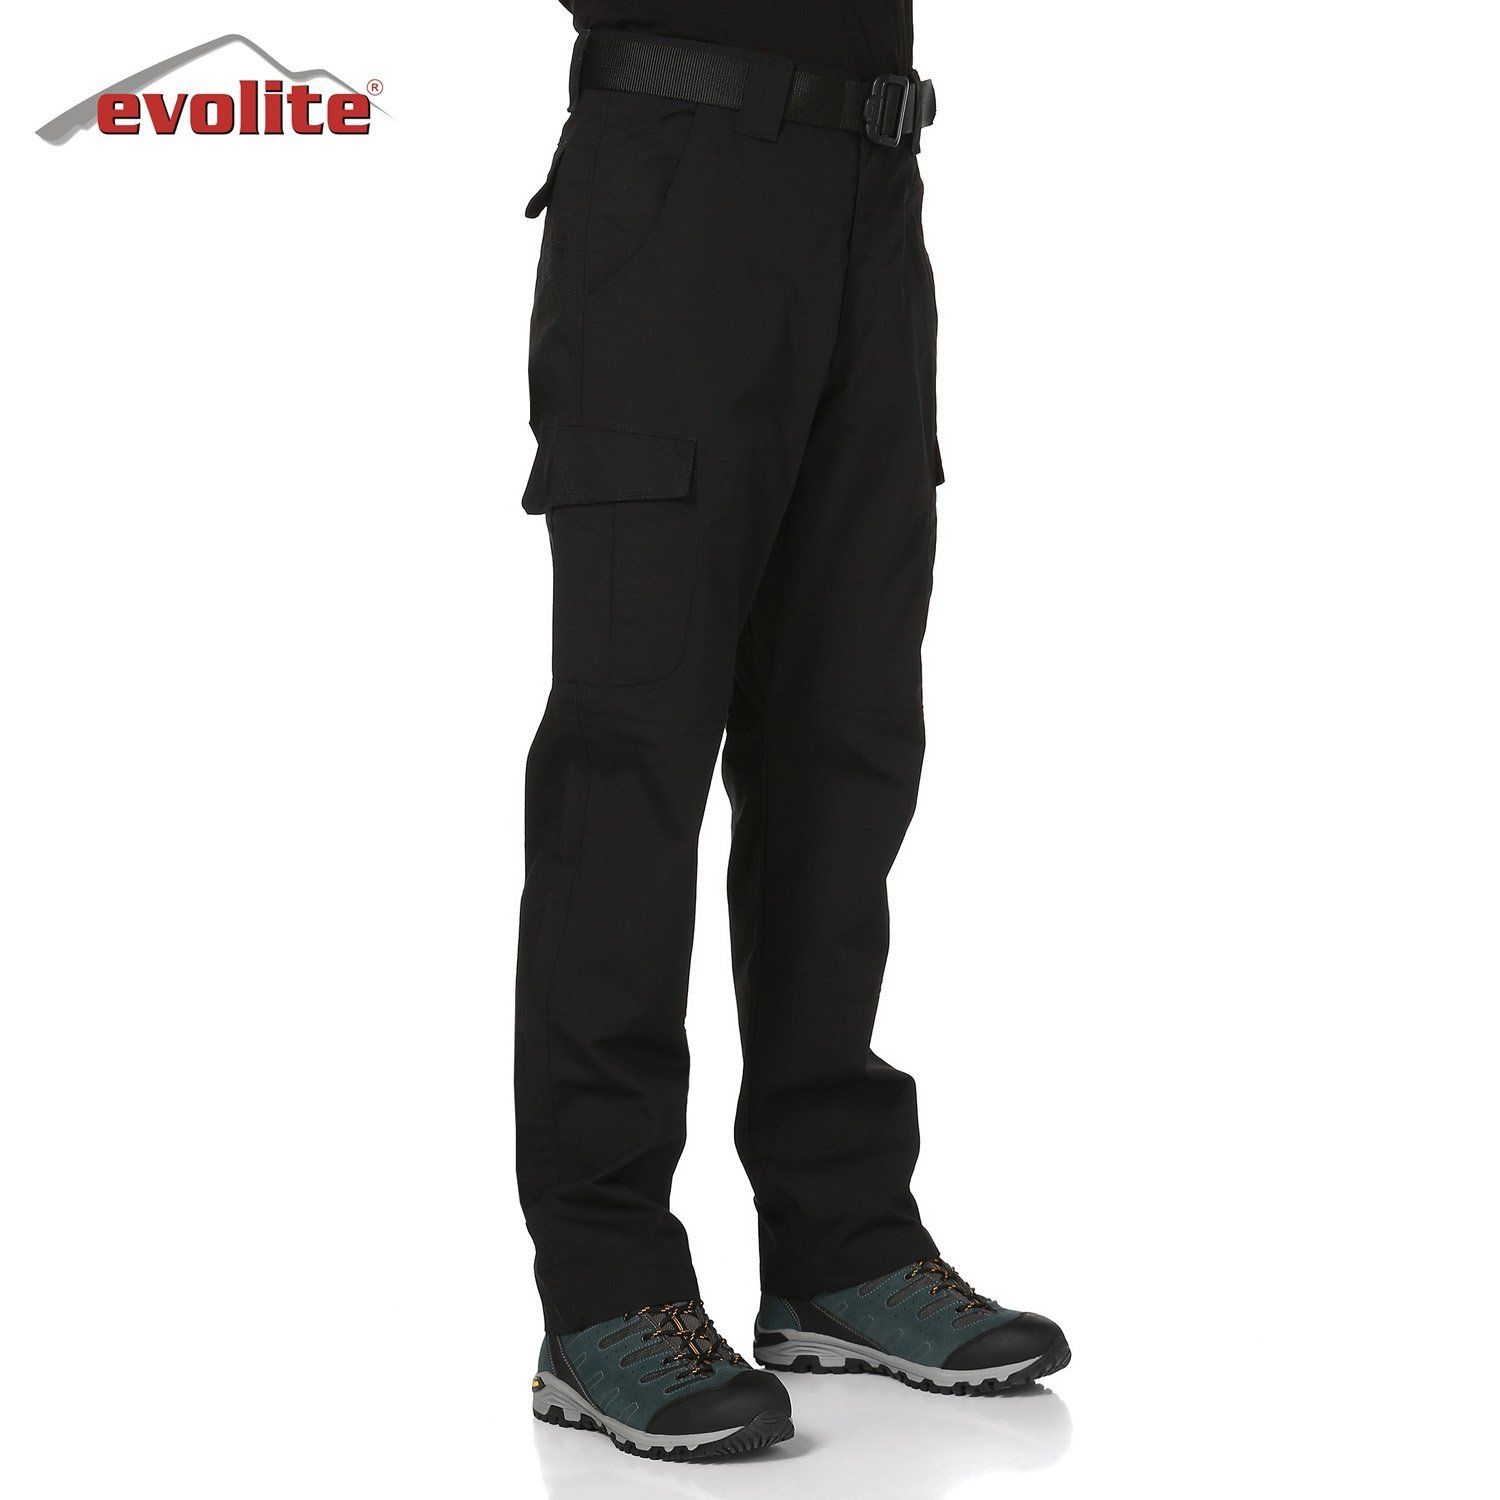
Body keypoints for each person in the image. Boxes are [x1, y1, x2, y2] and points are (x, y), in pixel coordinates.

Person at [517, 2, 1068, 1460]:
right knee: (634, 757)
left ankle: (839, 1240)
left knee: (846, 742)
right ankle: (605, 1287)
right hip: (677, 181)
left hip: (873, 193)